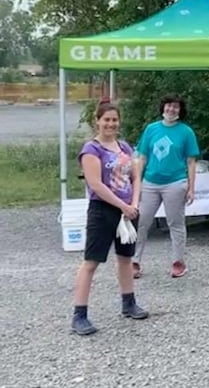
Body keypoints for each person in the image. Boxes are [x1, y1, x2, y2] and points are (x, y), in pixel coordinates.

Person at [71, 102, 148, 336]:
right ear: (97, 121)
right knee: (91, 262)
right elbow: (95, 184)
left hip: (127, 210)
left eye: (114, 120)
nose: (111, 124)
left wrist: (133, 204)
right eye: (106, 120)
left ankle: (128, 303)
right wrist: (122, 205)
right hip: (103, 210)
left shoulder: (124, 147)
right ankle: (79, 314)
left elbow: (136, 177)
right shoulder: (91, 150)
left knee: (125, 258)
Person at [131, 95, 200, 279]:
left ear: (180, 110)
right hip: (151, 182)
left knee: (175, 223)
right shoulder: (151, 129)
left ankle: (178, 262)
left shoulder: (186, 132)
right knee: (142, 222)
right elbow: (142, 157)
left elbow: (191, 161)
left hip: (175, 183)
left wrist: (191, 188)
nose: (172, 110)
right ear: (163, 108)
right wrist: (136, 183)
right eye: (169, 106)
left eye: (176, 107)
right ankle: (134, 261)